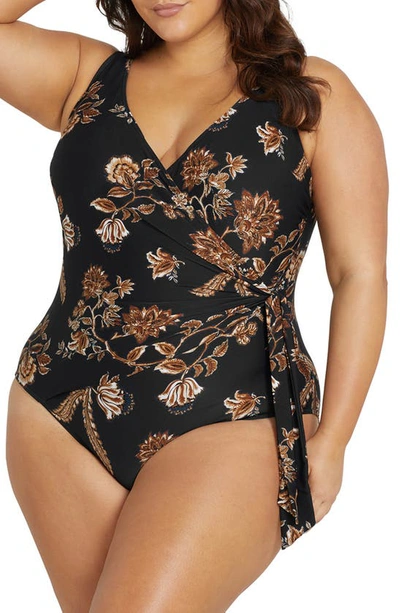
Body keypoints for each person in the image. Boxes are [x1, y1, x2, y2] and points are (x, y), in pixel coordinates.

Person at [3, 0, 388, 611]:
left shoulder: (312, 94)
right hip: (58, 409)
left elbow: (358, 274)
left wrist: (336, 437)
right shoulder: (85, 76)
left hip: (234, 412)